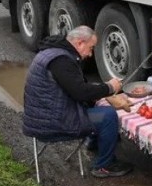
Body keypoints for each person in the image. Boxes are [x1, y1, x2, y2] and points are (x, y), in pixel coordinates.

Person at [22, 26, 133, 178]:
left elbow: (77, 86)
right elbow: (80, 92)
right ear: (80, 43)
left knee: (99, 105)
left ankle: (93, 143)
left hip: (43, 116)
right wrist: (109, 87)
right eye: (90, 48)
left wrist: (104, 94)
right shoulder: (61, 61)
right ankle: (104, 166)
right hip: (53, 123)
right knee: (108, 115)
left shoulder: (54, 52)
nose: (90, 53)